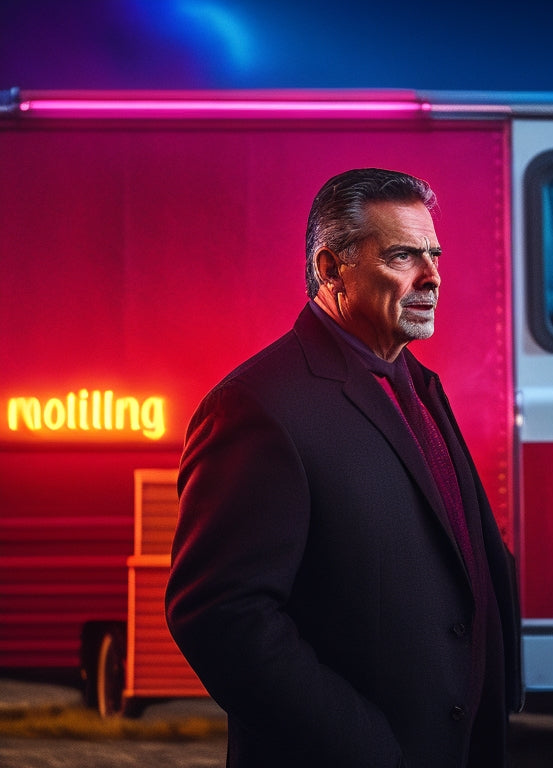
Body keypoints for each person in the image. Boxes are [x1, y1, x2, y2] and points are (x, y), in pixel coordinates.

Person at [166, 168, 522, 768]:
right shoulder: (258, 405)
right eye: (404, 256)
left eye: (433, 254)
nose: (432, 276)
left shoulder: (417, 386)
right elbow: (221, 615)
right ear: (331, 270)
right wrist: (364, 749)